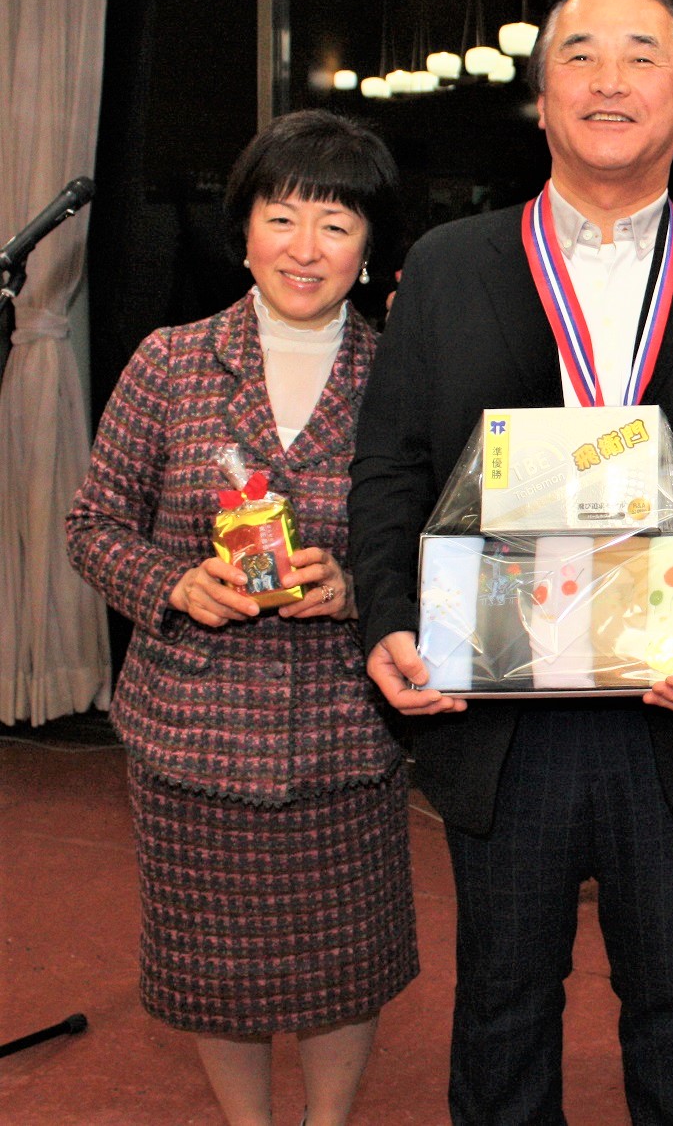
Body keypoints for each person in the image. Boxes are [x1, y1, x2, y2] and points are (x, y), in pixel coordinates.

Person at [348, 0, 673, 1126]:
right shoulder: (450, 267)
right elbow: (390, 466)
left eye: (642, 55)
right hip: (500, 712)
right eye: (578, 57)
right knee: (501, 1002)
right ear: (541, 96)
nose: (609, 81)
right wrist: (390, 622)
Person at [65, 109, 416, 1126]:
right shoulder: (169, 361)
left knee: (344, 969)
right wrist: (175, 585)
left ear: (369, 247)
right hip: (194, 740)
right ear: (245, 226)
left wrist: (357, 587)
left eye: (336, 223)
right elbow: (93, 525)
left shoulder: (399, 373)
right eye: (282, 215)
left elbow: (446, 537)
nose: (304, 249)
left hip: (344, 736)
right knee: (213, 973)